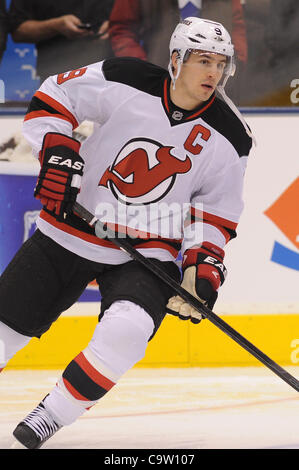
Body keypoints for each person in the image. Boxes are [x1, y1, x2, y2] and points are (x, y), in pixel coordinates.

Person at [0, 17, 252, 449]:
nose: (213, 73)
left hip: (148, 248)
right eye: (203, 60)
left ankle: (52, 415)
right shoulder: (125, 77)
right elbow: (54, 95)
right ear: (176, 60)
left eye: (221, 63)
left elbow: (216, 213)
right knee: (4, 330)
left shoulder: (232, 135)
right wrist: (59, 148)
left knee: (129, 330)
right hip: (72, 227)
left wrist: (203, 267)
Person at [8, 0, 115, 83]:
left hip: (112, 72)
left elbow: (129, 20)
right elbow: (18, 30)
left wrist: (117, 26)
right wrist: (55, 26)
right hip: (57, 75)